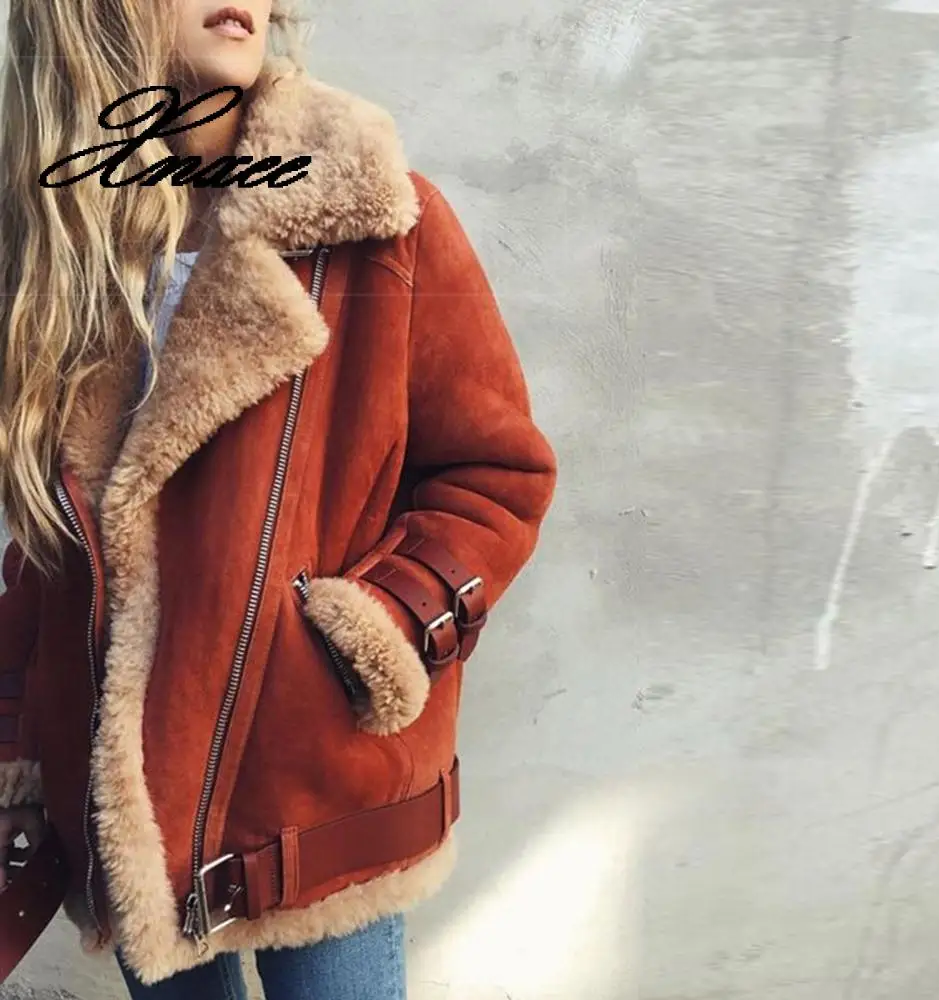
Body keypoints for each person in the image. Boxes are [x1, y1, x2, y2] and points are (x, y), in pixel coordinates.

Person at [0, 1, 558, 998]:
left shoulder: (375, 220)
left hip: (324, 791)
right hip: (130, 794)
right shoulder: (64, 262)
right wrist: (17, 738)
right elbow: (48, 548)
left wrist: (374, 627)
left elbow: (496, 474)